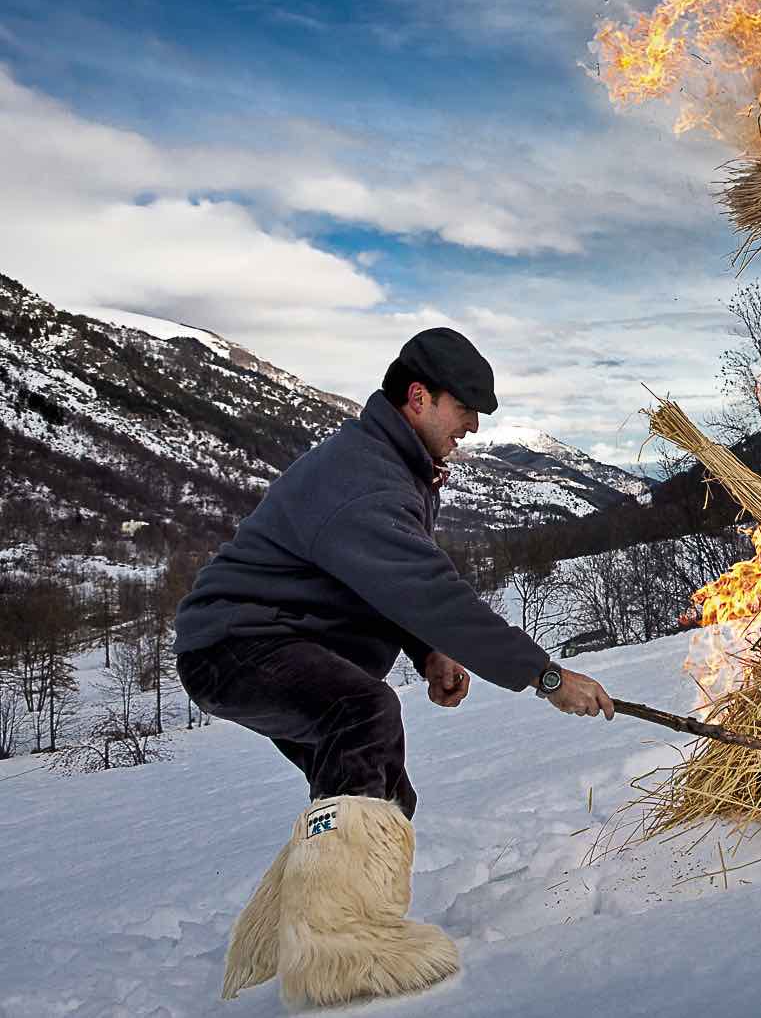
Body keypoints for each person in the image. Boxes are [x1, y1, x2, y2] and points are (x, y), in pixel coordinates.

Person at [172, 327, 614, 1007]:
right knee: (365, 712)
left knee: (378, 793)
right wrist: (547, 677)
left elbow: (380, 585)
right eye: (462, 407)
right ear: (417, 397)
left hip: (271, 640)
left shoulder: (395, 466)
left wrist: (426, 649)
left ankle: (271, 953)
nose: (470, 424)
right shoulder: (366, 478)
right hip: (236, 642)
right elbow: (433, 591)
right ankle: (339, 949)